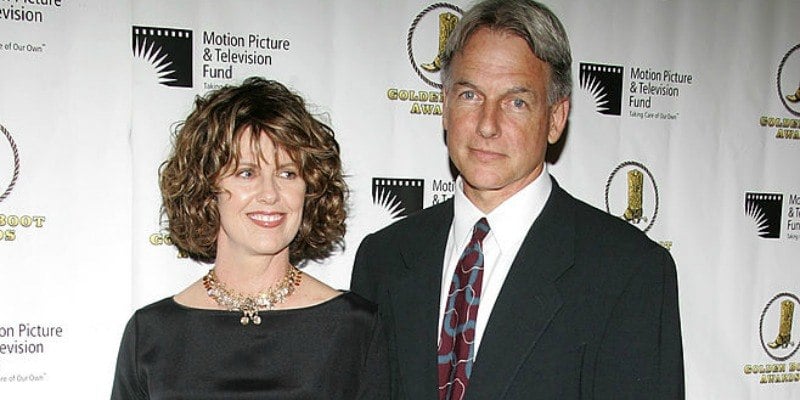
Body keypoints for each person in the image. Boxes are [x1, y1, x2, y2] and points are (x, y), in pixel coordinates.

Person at [351, 1, 684, 399]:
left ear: (556, 118)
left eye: (516, 102)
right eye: (471, 95)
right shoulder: (384, 258)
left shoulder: (629, 271)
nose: (487, 125)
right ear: (444, 106)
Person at [112, 77, 388, 399]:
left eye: (288, 174)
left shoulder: (355, 328)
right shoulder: (151, 335)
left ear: (309, 189)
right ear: (206, 188)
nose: (270, 194)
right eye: (247, 173)